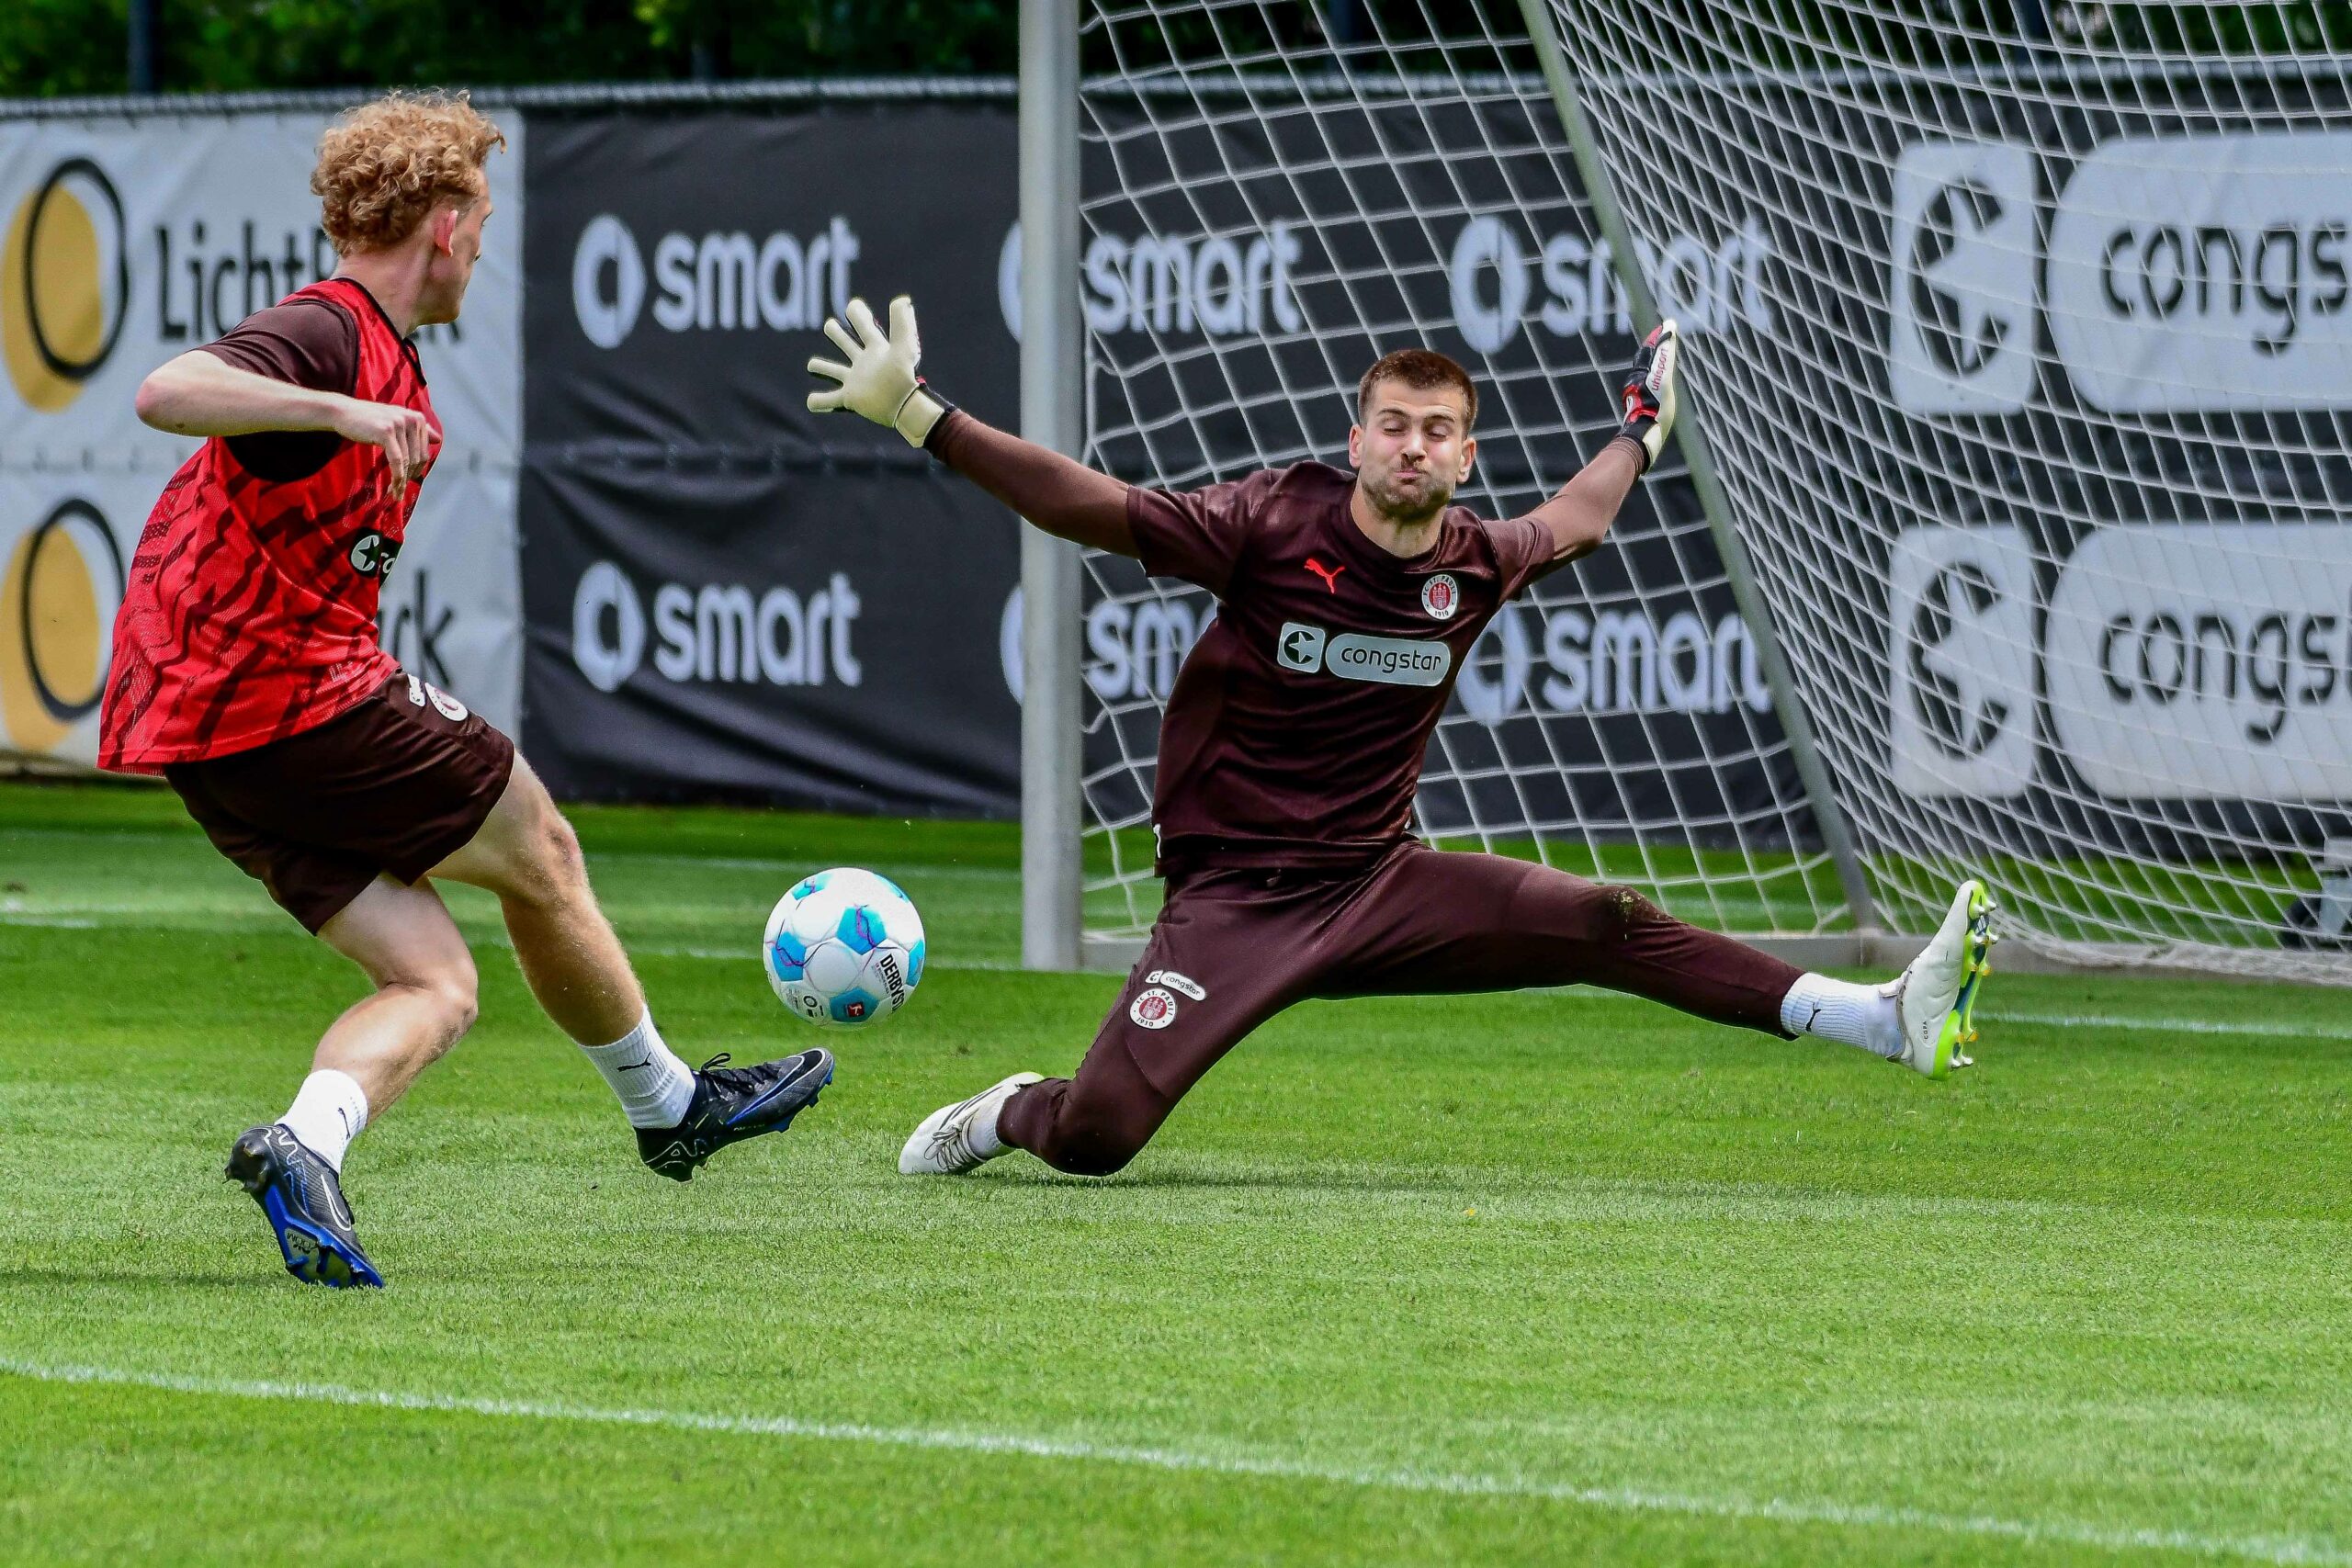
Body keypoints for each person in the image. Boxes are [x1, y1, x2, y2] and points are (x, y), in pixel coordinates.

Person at [806, 296, 1996, 1179]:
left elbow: (1575, 521)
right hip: (1237, 903)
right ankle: (1011, 1111)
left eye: (1439, 430)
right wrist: (921, 412)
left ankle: (1880, 1018)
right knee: (1098, 1140)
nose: (1415, 445)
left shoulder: (1475, 559)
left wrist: (1641, 429)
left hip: (1382, 883)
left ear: (1464, 454)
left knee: (1601, 921)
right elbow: (1092, 508)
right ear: (1360, 437)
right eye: (1394, 425)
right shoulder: (1271, 522)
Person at [100, 92, 831, 1289]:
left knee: (436, 982)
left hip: (212, 739)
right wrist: (335, 406)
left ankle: (303, 1144)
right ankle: (671, 1107)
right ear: (444, 224)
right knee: (541, 841)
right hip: (282, 697)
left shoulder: (386, 360)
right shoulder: (332, 334)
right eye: (481, 217)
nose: (484, 245)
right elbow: (167, 390)